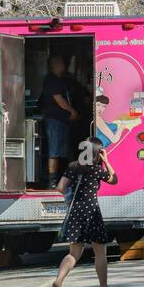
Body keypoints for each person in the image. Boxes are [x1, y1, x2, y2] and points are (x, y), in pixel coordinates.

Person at [50, 139, 121, 287]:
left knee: (74, 253)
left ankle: (58, 282)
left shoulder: (73, 167)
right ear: (97, 152)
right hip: (92, 213)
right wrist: (107, 161)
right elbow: (114, 179)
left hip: (75, 212)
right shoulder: (96, 170)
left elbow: (60, 187)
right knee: (100, 252)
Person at [41, 55, 79, 188]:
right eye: (62, 62)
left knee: (62, 151)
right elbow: (59, 100)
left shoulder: (58, 80)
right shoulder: (51, 80)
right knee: (54, 151)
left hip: (62, 121)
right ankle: (52, 181)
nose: (64, 65)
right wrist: (72, 111)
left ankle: (62, 180)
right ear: (56, 64)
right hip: (54, 121)